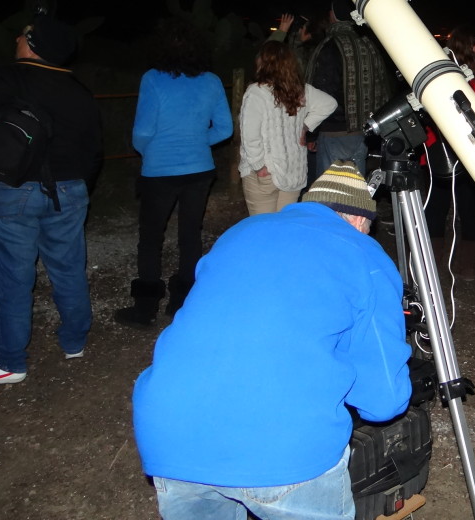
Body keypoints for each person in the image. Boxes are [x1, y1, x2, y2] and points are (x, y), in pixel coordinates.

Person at [132, 160, 411, 520]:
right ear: (359, 220)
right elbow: (384, 401)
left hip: (170, 431)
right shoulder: (364, 254)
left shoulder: (241, 231)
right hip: (283, 448)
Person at [0, 16, 102, 385]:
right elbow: (95, 149)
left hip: (11, 191)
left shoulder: (3, 79)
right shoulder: (79, 90)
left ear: (32, 45)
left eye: (23, 36)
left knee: (12, 278)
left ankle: (9, 363)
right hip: (70, 190)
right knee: (68, 268)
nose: (17, 39)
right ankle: (74, 341)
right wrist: (81, 187)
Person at [114, 17, 233, 327]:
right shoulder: (211, 81)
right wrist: (196, 142)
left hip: (160, 171)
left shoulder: (152, 79)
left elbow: (142, 131)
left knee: (151, 238)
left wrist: (151, 150)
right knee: (189, 235)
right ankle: (183, 303)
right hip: (200, 170)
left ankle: (144, 310)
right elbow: (224, 128)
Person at [424, 25, 475, 280]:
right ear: (470, 46)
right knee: (466, 207)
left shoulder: (441, 73)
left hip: (444, 146)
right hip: (467, 149)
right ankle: (467, 266)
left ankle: (433, 261)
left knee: (439, 205)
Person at [238, 40, 336, 215]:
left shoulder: (257, 93)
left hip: (266, 173)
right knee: (283, 227)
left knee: (265, 230)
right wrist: (306, 126)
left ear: (263, 63)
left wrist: (258, 166)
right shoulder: (300, 90)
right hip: (293, 170)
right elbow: (329, 103)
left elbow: (249, 136)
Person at [304, 0, 393, 181]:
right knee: (354, 190)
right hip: (365, 131)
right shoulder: (367, 44)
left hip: (335, 131)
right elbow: (382, 84)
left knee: (331, 193)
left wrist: (311, 133)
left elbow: (321, 92)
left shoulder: (330, 46)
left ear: (333, 15)